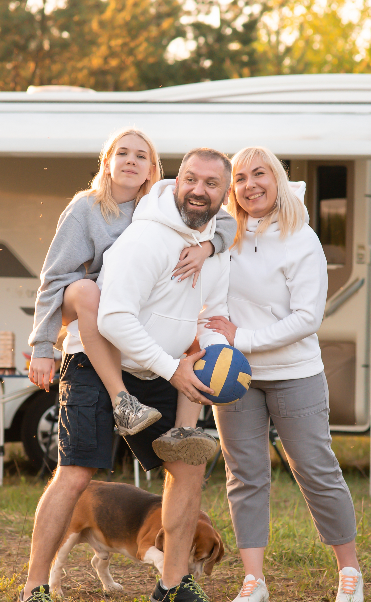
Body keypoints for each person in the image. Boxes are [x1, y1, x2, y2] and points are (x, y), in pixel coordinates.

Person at [19, 148, 233, 602]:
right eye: (192, 179)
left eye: (212, 184)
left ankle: (173, 585)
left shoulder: (214, 243)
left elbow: (212, 313)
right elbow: (109, 315)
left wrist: (214, 348)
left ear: (224, 193)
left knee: (190, 464)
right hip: (98, 359)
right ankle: (35, 589)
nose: (199, 190)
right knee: (76, 472)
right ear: (175, 182)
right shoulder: (144, 235)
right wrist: (41, 344)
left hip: (158, 367)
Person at [205, 146, 364, 602]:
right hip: (234, 376)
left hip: (294, 373)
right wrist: (218, 346)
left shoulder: (301, 238)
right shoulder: (222, 235)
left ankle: (349, 571)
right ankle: (253, 580)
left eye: (260, 174)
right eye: (239, 177)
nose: (250, 184)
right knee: (244, 475)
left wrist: (243, 339)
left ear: (276, 180)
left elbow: (307, 318)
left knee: (315, 469)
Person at [27, 127, 233, 436]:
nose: (130, 161)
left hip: (114, 304)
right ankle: (121, 399)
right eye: (122, 153)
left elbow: (226, 220)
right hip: (78, 299)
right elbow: (53, 277)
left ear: (152, 170)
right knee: (87, 291)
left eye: (141, 156)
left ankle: (185, 430)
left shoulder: (156, 206)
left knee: (191, 330)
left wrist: (207, 247)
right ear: (107, 162)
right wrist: (43, 347)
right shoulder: (86, 208)